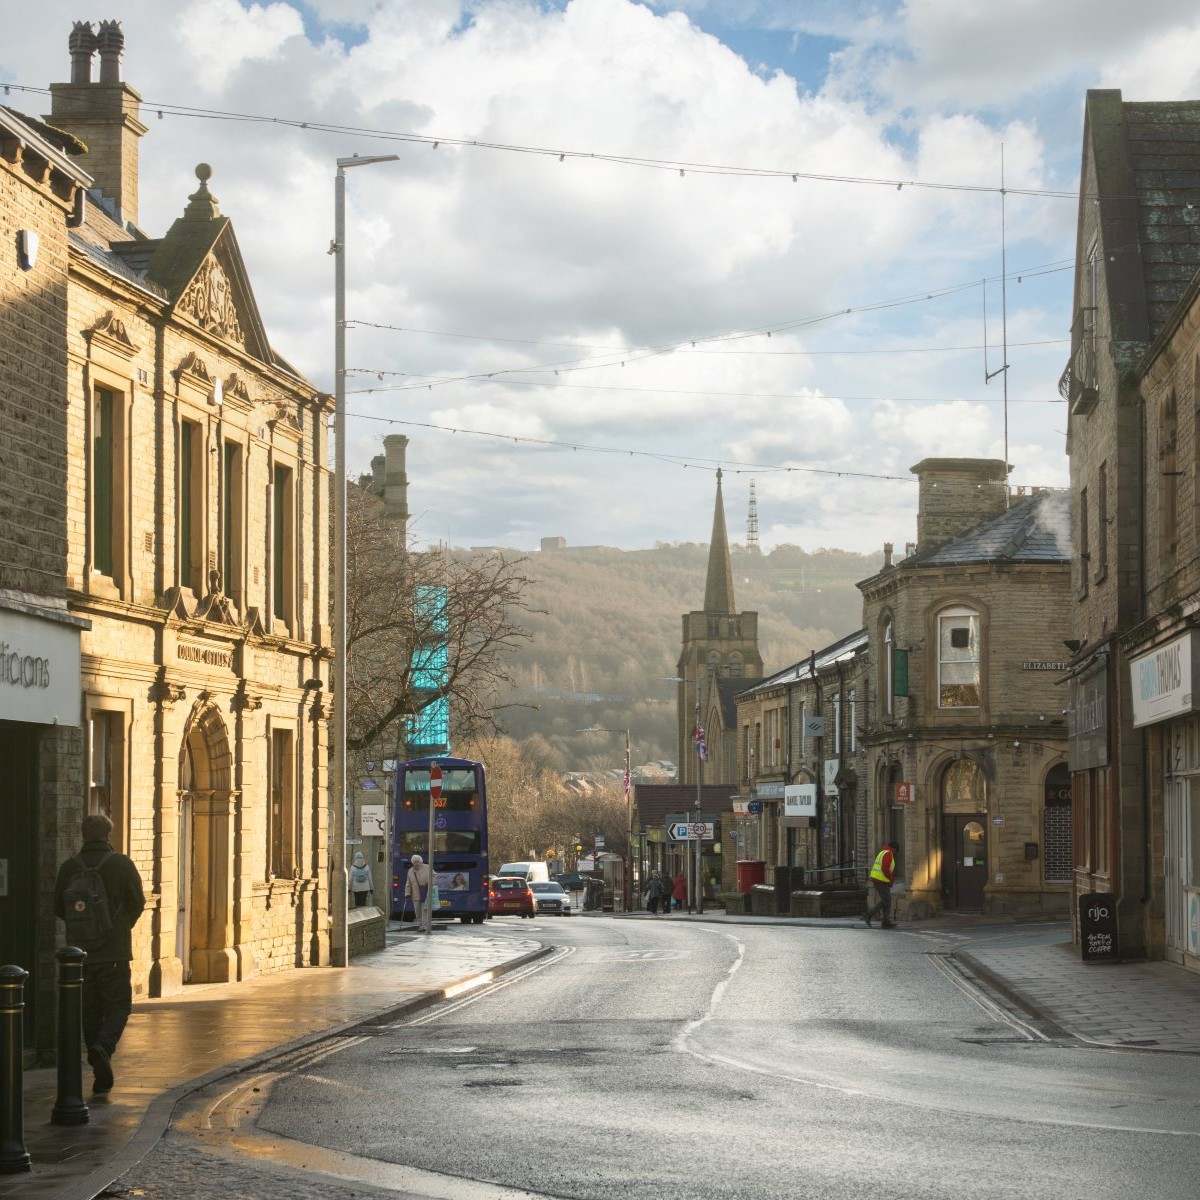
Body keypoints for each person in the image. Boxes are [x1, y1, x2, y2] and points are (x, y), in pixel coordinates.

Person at [53, 812, 145, 1099]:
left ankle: (99, 1074)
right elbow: (138, 902)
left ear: (83, 835)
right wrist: (118, 927)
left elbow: (59, 907)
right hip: (114, 951)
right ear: (108, 835)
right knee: (118, 1005)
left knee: (89, 1011)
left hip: (80, 954)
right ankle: (103, 1048)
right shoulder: (121, 863)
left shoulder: (70, 867)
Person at [863, 841, 898, 929]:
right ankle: (868, 915)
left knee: (887, 900)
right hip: (880, 880)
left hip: (879, 879)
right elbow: (885, 868)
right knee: (886, 900)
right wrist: (891, 879)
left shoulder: (883, 852)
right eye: (896, 851)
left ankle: (885, 921)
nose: (895, 853)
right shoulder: (888, 854)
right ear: (893, 849)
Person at [405, 853, 432, 932]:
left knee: (424, 909)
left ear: (421, 861)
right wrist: (407, 893)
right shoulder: (410, 871)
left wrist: (430, 884)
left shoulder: (428, 868)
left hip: (426, 892)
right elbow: (408, 883)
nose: (415, 863)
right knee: (417, 911)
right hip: (416, 894)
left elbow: (434, 876)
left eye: (417, 861)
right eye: (414, 861)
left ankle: (424, 926)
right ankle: (420, 924)